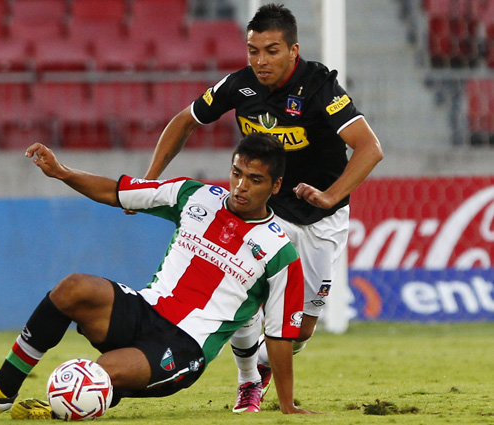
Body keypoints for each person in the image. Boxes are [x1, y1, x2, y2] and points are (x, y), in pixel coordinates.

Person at [0, 133, 316, 419]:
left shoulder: (280, 252)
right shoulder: (193, 195)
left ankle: (57, 410)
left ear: (275, 185)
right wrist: (62, 172)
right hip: (145, 309)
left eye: (254, 179)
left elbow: (280, 334)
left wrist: (286, 405)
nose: (240, 186)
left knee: (98, 376)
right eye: (236, 173)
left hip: (185, 346)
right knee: (73, 288)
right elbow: (118, 191)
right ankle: (4, 386)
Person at [142, 3, 384, 413]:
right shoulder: (240, 86)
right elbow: (185, 121)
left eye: (271, 51)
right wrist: (150, 181)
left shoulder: (320, 87)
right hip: (266, 211)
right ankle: (248, 382)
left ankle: (263, 366)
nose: (260, 61)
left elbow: (370, 148)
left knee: (300, 329)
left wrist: (330, 195)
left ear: (293, 50)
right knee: (243, 298)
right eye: (253, 51)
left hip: (321, 217)